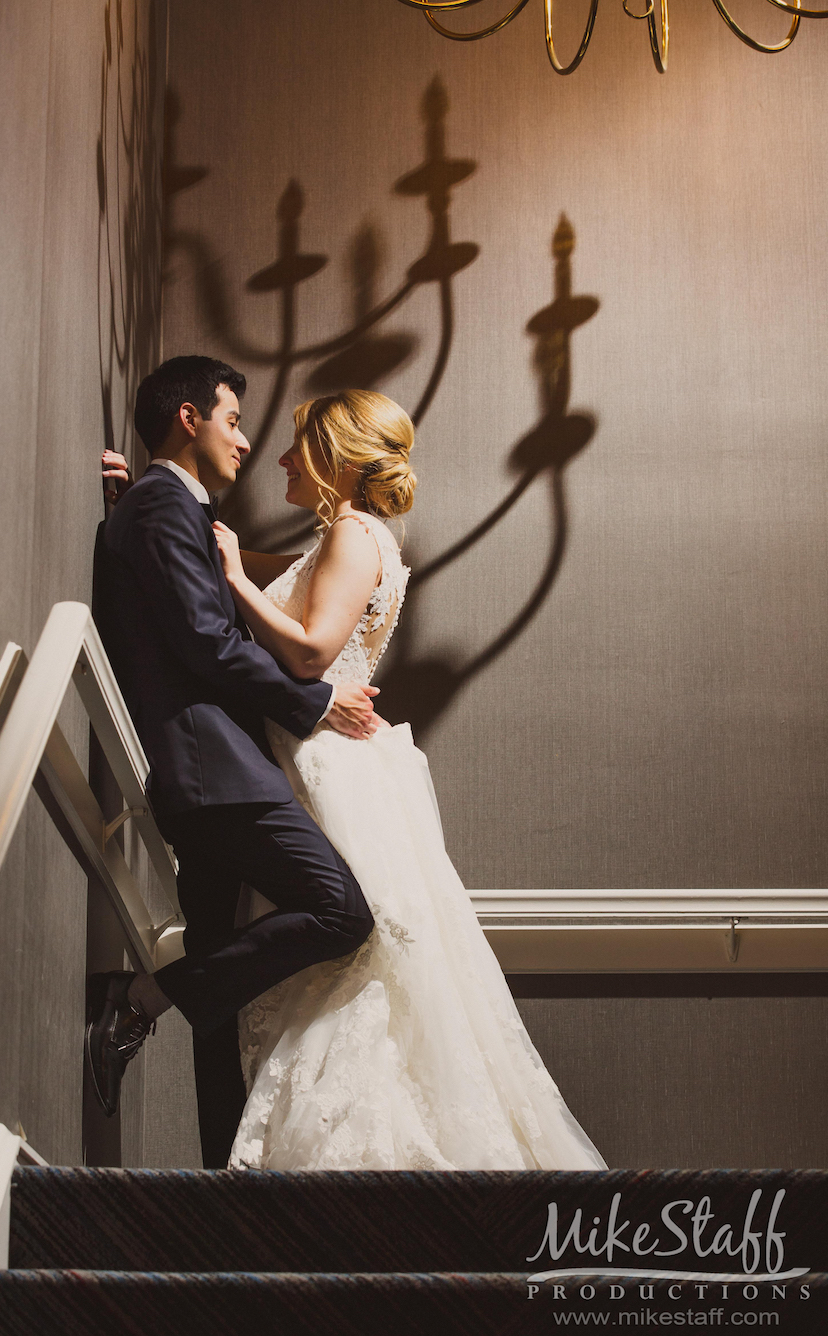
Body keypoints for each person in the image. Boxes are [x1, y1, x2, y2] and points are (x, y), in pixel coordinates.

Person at [205, 388, 605, 1169]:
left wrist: (236, 582)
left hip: (332, 771)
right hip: (332, 762)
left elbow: (313, 654)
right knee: (355, 964)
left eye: (297, 448)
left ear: (334, 458)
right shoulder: (346, 537)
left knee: (354, 971)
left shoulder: (356, 535)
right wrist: (172, 523)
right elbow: (267, 577)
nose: (281, 461)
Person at [89, 356, 380, 1169]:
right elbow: (206, 642)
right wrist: (316, 703)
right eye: (233, 420)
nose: (245, 442)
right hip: (213, 770)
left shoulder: (156, 508)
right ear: (189, 419)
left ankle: (221, 1188)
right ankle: (140, 997)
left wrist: (127, 511)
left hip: (209, 772)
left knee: (222, 991)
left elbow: (178, 618)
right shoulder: (159, 504)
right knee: (341, 911)